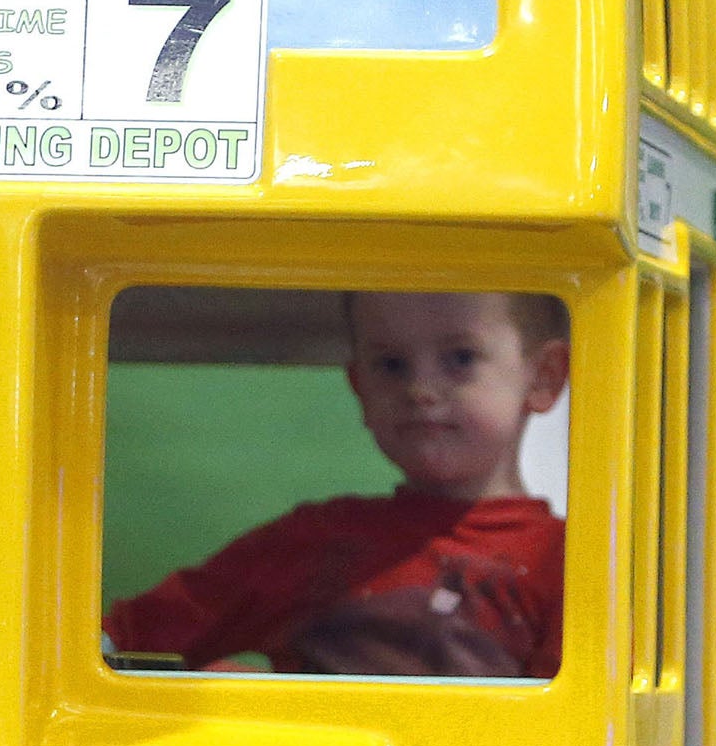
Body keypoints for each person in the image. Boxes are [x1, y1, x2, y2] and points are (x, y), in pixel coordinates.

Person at [104, 289, 571, 678]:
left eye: (460, 358)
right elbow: (119, 641)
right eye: (391, 364)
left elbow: (577, 743)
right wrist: (231, 699)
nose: (420, 389)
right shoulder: (313, 539)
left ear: (545, 376)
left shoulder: (573, 566)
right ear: (359, 386)